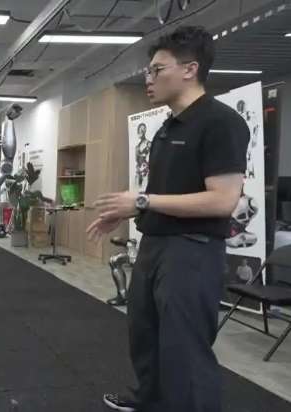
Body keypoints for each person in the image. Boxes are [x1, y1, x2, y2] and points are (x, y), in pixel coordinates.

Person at [86, 26, 249, 412]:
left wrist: (143, 200)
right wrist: (132, 209)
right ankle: (150, 401)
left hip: (192, 252)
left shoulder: (220, 122)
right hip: (155, 246)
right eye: (149, 71)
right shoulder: (167, 128)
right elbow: (164, 196)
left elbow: (222, 201)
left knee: (184, 351)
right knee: (145, 336)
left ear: (190, 69)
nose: (149, 78)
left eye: (157, 70)